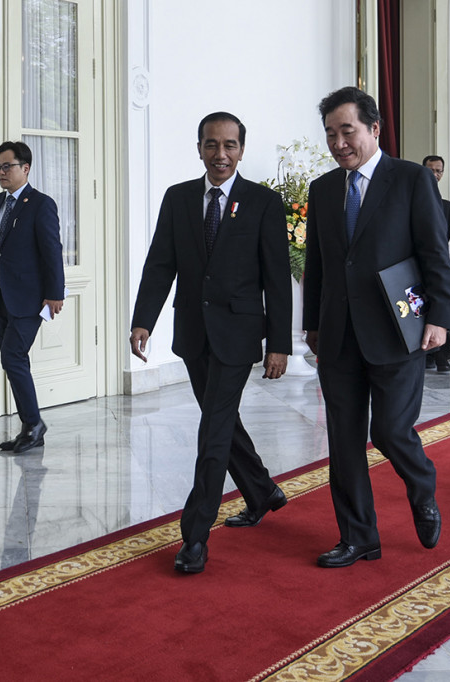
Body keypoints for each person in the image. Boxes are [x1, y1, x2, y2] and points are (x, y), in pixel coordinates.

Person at [129, 112, 293, 574]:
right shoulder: (178, 198)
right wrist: (144, 320)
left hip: (239, 335)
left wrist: (278, 343)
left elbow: (277, 279)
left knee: (213, 432)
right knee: (221, 422)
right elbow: (161, 263)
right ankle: (261, 490)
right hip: (193, 334)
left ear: (242, 148)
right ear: (199, 147)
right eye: (211, 145)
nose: (220, 155)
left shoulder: (263, 202)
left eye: (230, 146)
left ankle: (195, 535)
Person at [303, 86, 450, 568]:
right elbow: (319, 263)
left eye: (347, 131)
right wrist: (311, 324)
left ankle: (422, 487)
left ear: (374, 128)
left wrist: (440, 318)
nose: (338, 142)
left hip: (398, 328)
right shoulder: (323, 189)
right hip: (338, 335)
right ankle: (358, 537)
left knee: (391, 431)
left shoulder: (411, 180)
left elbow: (434, 253)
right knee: (344, 440)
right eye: (330, 134)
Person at [0, 141, 65, 454]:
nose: (1, 172)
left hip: (30, 299)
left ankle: (34, 423)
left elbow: (52, 251)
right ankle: (30, 427)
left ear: (26, 168)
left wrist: (55, 293)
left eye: (7, 166)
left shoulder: (41, 204)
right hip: (0, 296)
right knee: (13, 360)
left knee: (12, 357)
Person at [423, 154, 450, 372]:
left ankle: (442, 356)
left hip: (441, 264)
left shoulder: (447, 206)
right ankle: (428, 355)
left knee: (441, 306)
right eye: (431, 170)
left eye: (439, 170)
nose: (435, 174)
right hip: (419, 266)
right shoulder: (413, 198)